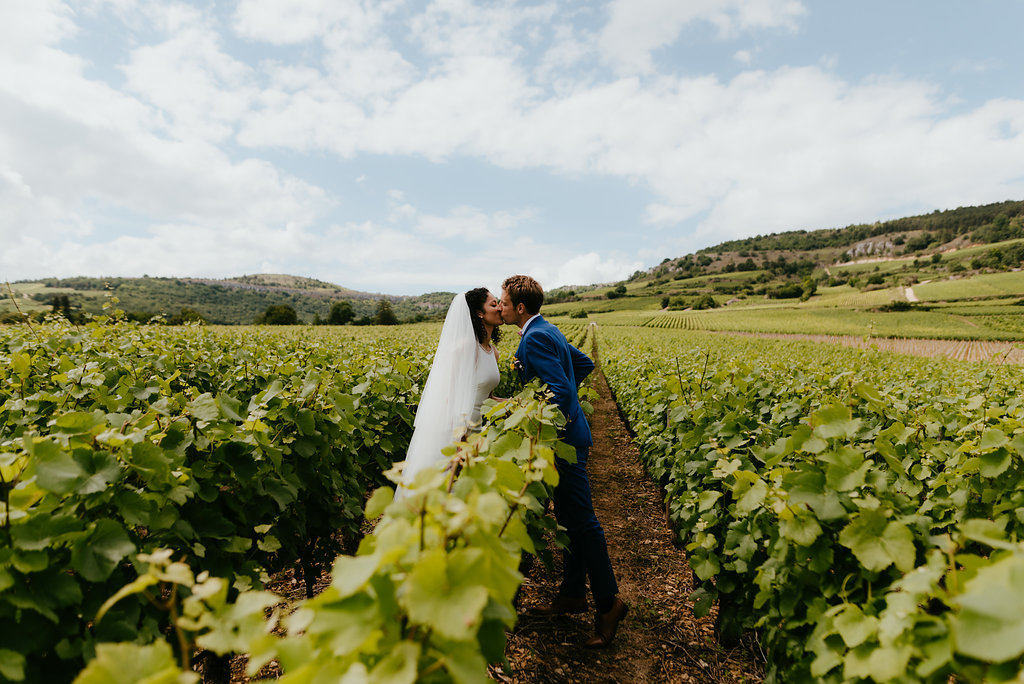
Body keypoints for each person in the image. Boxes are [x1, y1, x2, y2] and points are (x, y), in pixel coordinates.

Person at [499, 274, 627, 649]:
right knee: (569, 520)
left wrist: (529, 411)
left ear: (519, 307)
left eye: (504, 302)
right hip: (572, 437)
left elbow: (562, 393)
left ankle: (609, 603)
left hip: (562, 442)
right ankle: (572, 594)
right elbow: (583, 364)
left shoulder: (536, 336)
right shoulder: (548, 329)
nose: (501, 307)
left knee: (583, 521)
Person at [396, 288, 503, 498]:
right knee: (445, 494)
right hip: (455, 434)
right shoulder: (465, 349)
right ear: (479, 313)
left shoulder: (493, 352)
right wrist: (459, 441)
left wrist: (516, 405)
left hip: (478, 434)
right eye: (493, 304)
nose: (499, 307)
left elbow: (488, 399)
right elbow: (448, 398)